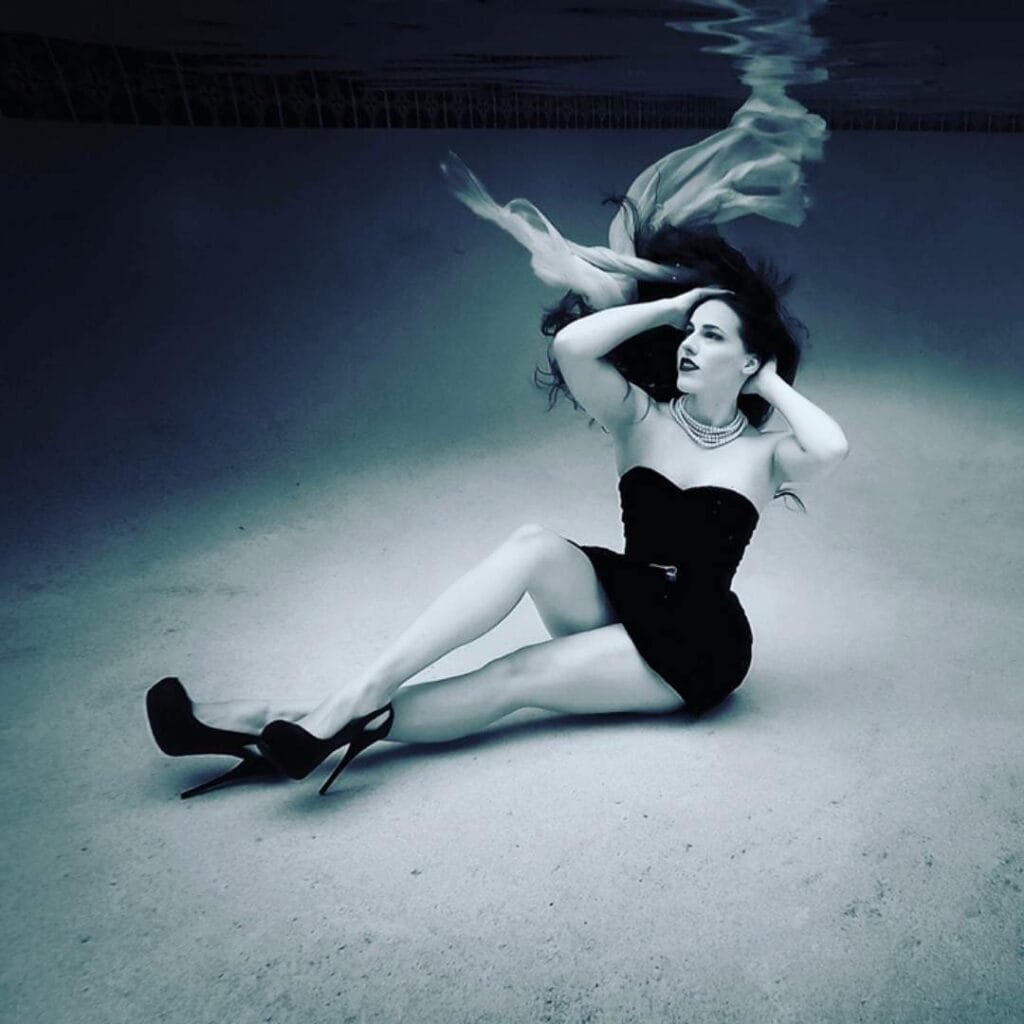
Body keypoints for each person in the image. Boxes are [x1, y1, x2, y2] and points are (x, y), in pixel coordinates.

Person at [146, 213, 848, 799]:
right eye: (690, 334)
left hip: (694, 646)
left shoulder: (766, 454)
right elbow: (573, 347)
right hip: (627, 596)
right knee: (534, 544)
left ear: (748, 362)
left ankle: (281, 726)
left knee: (515, 678)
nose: (691, 344)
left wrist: (773, 383)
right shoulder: (642, 417)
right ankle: (348, 698)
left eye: (713, 337)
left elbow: (833, 448)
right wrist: (674, 305)